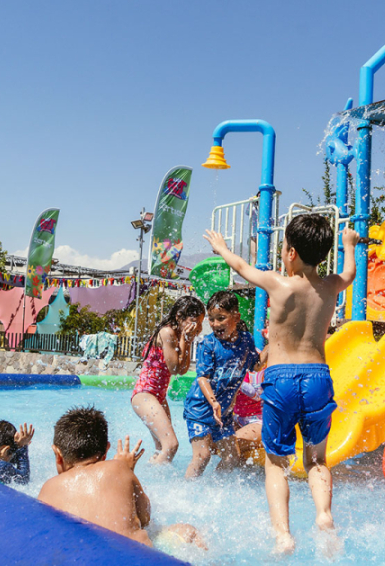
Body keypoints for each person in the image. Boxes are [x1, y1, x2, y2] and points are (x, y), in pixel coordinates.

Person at [204, 213, 358, 554]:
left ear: (290, 253)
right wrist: (349, 245)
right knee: (317, 460)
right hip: (318, 377)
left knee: (276, 462)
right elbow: (350, 273)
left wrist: (222, 248)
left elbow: (241, 267)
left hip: (281, 378)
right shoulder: (330, 285)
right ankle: (323, 515)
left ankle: (283, 536)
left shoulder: (278, 283)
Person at [38, 406, 206, 553]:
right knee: (188, 531)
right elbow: (145, 518)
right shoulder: (118, 469)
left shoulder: (48, 489)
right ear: (106, 450)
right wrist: (127, 470)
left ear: (57, 454)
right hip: (136, 559)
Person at [183, 291, 261, 479]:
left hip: (223, 412)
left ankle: (212, 488)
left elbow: (256, 366)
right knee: (202, 456)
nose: (215, 324)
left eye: (221, 318)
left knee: (231, 457)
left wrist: (273, 344)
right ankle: (186, 490)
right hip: (200, 408)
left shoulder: (246, 341)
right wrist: (214, 402)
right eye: (211, 319)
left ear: (236, 317)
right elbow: (203, 378)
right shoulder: (208, 343)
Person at [130, 296, 205, 465]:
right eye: (194, 322)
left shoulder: (179, 335)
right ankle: (153, 481)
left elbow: (182, 370)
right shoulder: (167, 332)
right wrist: (185, 340)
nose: (198, 328)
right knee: (170, 445)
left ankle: (150, 475)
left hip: (158, 397)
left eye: (200, 323)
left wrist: (187, 341)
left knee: (161, 448)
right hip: (145, 394)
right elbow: (174, 368)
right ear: (179, 317)